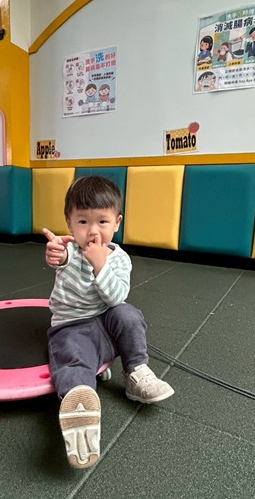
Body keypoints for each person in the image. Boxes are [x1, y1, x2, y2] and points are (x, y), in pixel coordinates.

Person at [43, 176, 174, 469]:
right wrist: (55, 253)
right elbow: (58, 258)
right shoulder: (69, 251)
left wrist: (100, 264)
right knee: (72, 356)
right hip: (72, 326)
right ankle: (79, 401)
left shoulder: (120, 259)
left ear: (117, 223)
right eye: (83, 222)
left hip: (106, 321)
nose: (93, 231)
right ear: (69, 223)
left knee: (129, 314)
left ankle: (135, 372)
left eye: (102, 222)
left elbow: (116, 298)